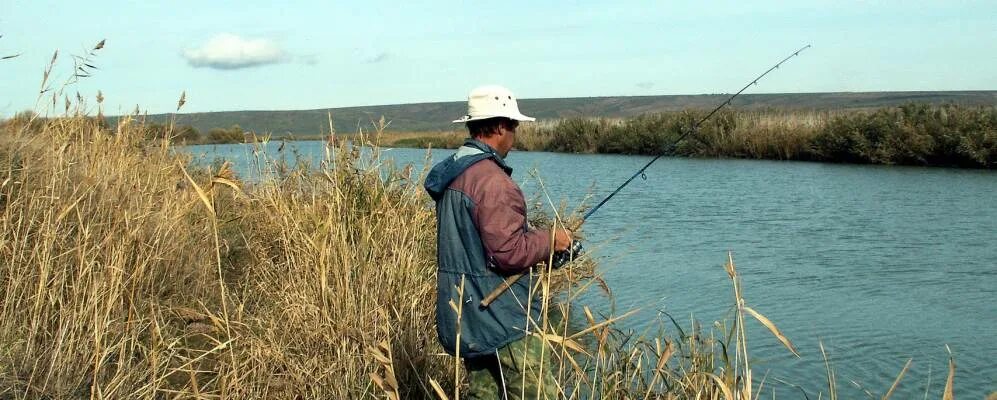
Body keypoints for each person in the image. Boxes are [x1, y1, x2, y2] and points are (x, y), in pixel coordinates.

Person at [424, 85, 572, 399]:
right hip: (504, 321)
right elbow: (509, 252)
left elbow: (480, 248)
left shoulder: (456, 173)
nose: (515, 135)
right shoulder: (493, 182)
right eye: (514, 126)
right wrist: (551, 241)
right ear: (500, 126)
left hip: (468, 315)